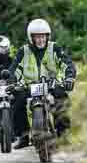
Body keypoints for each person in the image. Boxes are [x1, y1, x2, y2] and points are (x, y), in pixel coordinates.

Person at [8, 18, 76, 149]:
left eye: (43, 36)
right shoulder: (23, 51)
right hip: (30, 86)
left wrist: (69, 78)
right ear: (31, 37)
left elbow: (68, 65)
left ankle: (63, 135)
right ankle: (23, 135)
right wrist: (11, 82)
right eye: (37, 37)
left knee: (62, 99)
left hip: (52, 84)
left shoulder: (54, 48)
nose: (41, 40)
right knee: (16, 100)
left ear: (48, 36)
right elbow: (14, 69)